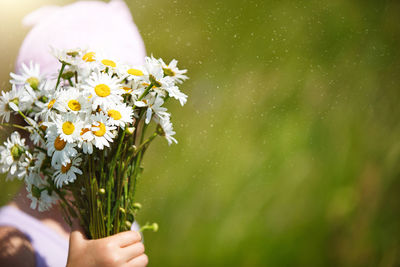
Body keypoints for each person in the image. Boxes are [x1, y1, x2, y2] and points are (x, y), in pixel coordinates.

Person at [0, 1, 149, 266]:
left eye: (108, 120)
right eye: (64, 122)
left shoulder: (121, 222)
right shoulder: (11, 247)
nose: (87, 140)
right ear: (27, 126)